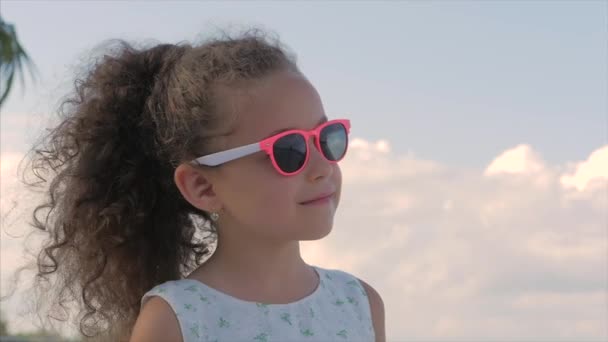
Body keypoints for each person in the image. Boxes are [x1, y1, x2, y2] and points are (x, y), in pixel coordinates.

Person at [22, 29, 385, 342]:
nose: (323, 167)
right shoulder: (177, 319)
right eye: (289, 151)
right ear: (202, 186)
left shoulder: (359, 303)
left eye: (327, 137)